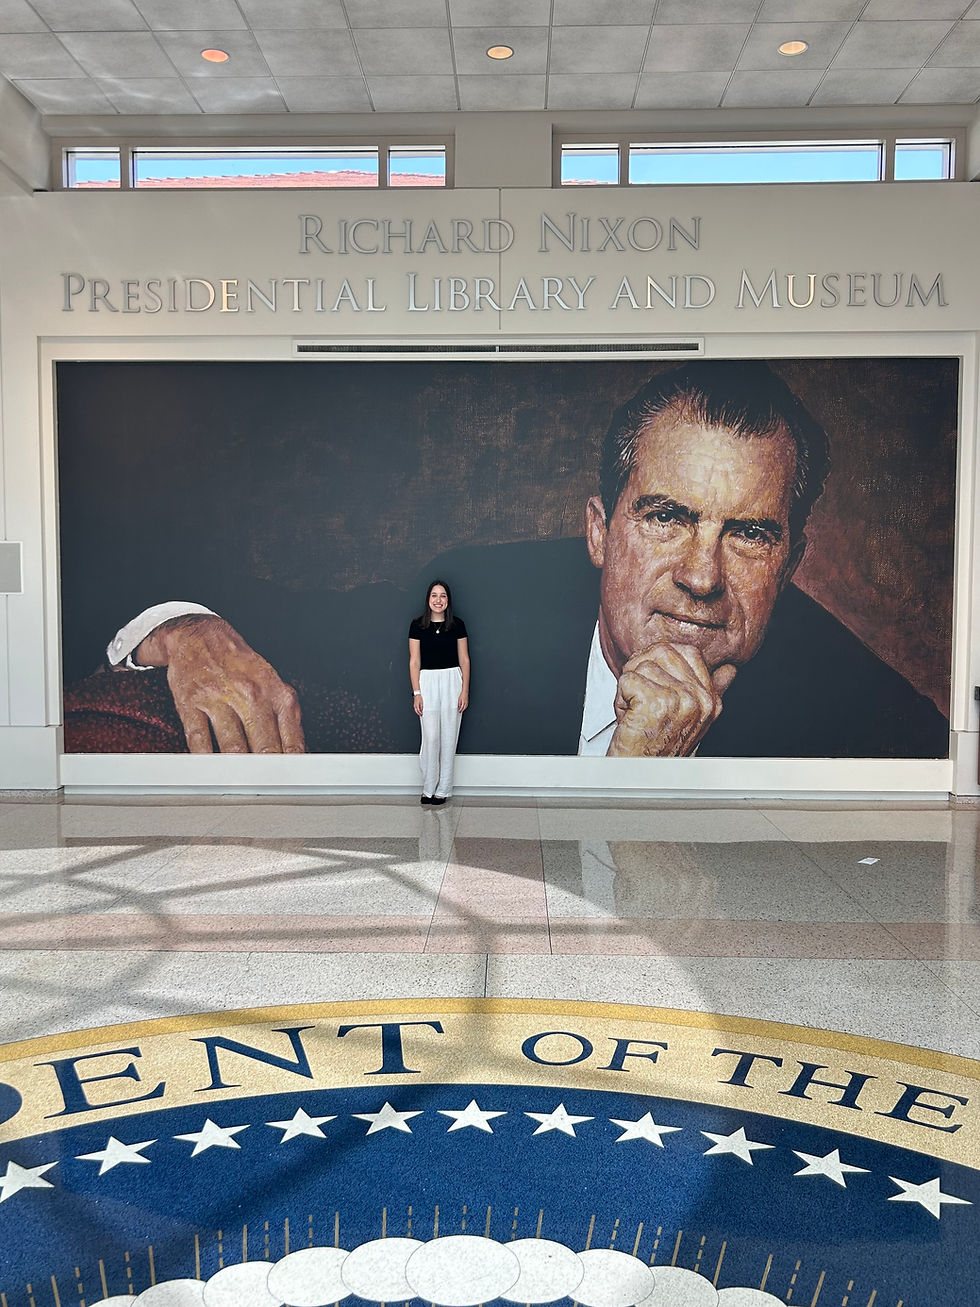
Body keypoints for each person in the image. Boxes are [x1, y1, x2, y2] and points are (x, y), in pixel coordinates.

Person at [79, 360, 949, 760]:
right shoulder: (483, 597)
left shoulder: (871, 725)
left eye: (749, 534)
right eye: (667, 517)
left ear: (792, 558)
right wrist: (186, 629)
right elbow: (296, 619)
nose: (701, 573)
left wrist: (640, 786)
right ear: (600, 531)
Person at [408, 580, 470, 804]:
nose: (438, 600)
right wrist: (417, 692)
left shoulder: (457, 625)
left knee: (449, 736)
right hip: (427, 681)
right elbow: (414, 661)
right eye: (434, 595)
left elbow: (464, 659)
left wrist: (464, 690)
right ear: (428, 599)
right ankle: (428, 786)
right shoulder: (417, 626)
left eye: (443, 596)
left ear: (448, 600)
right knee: (431, 736)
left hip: (452, 680)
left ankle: (443, 789)